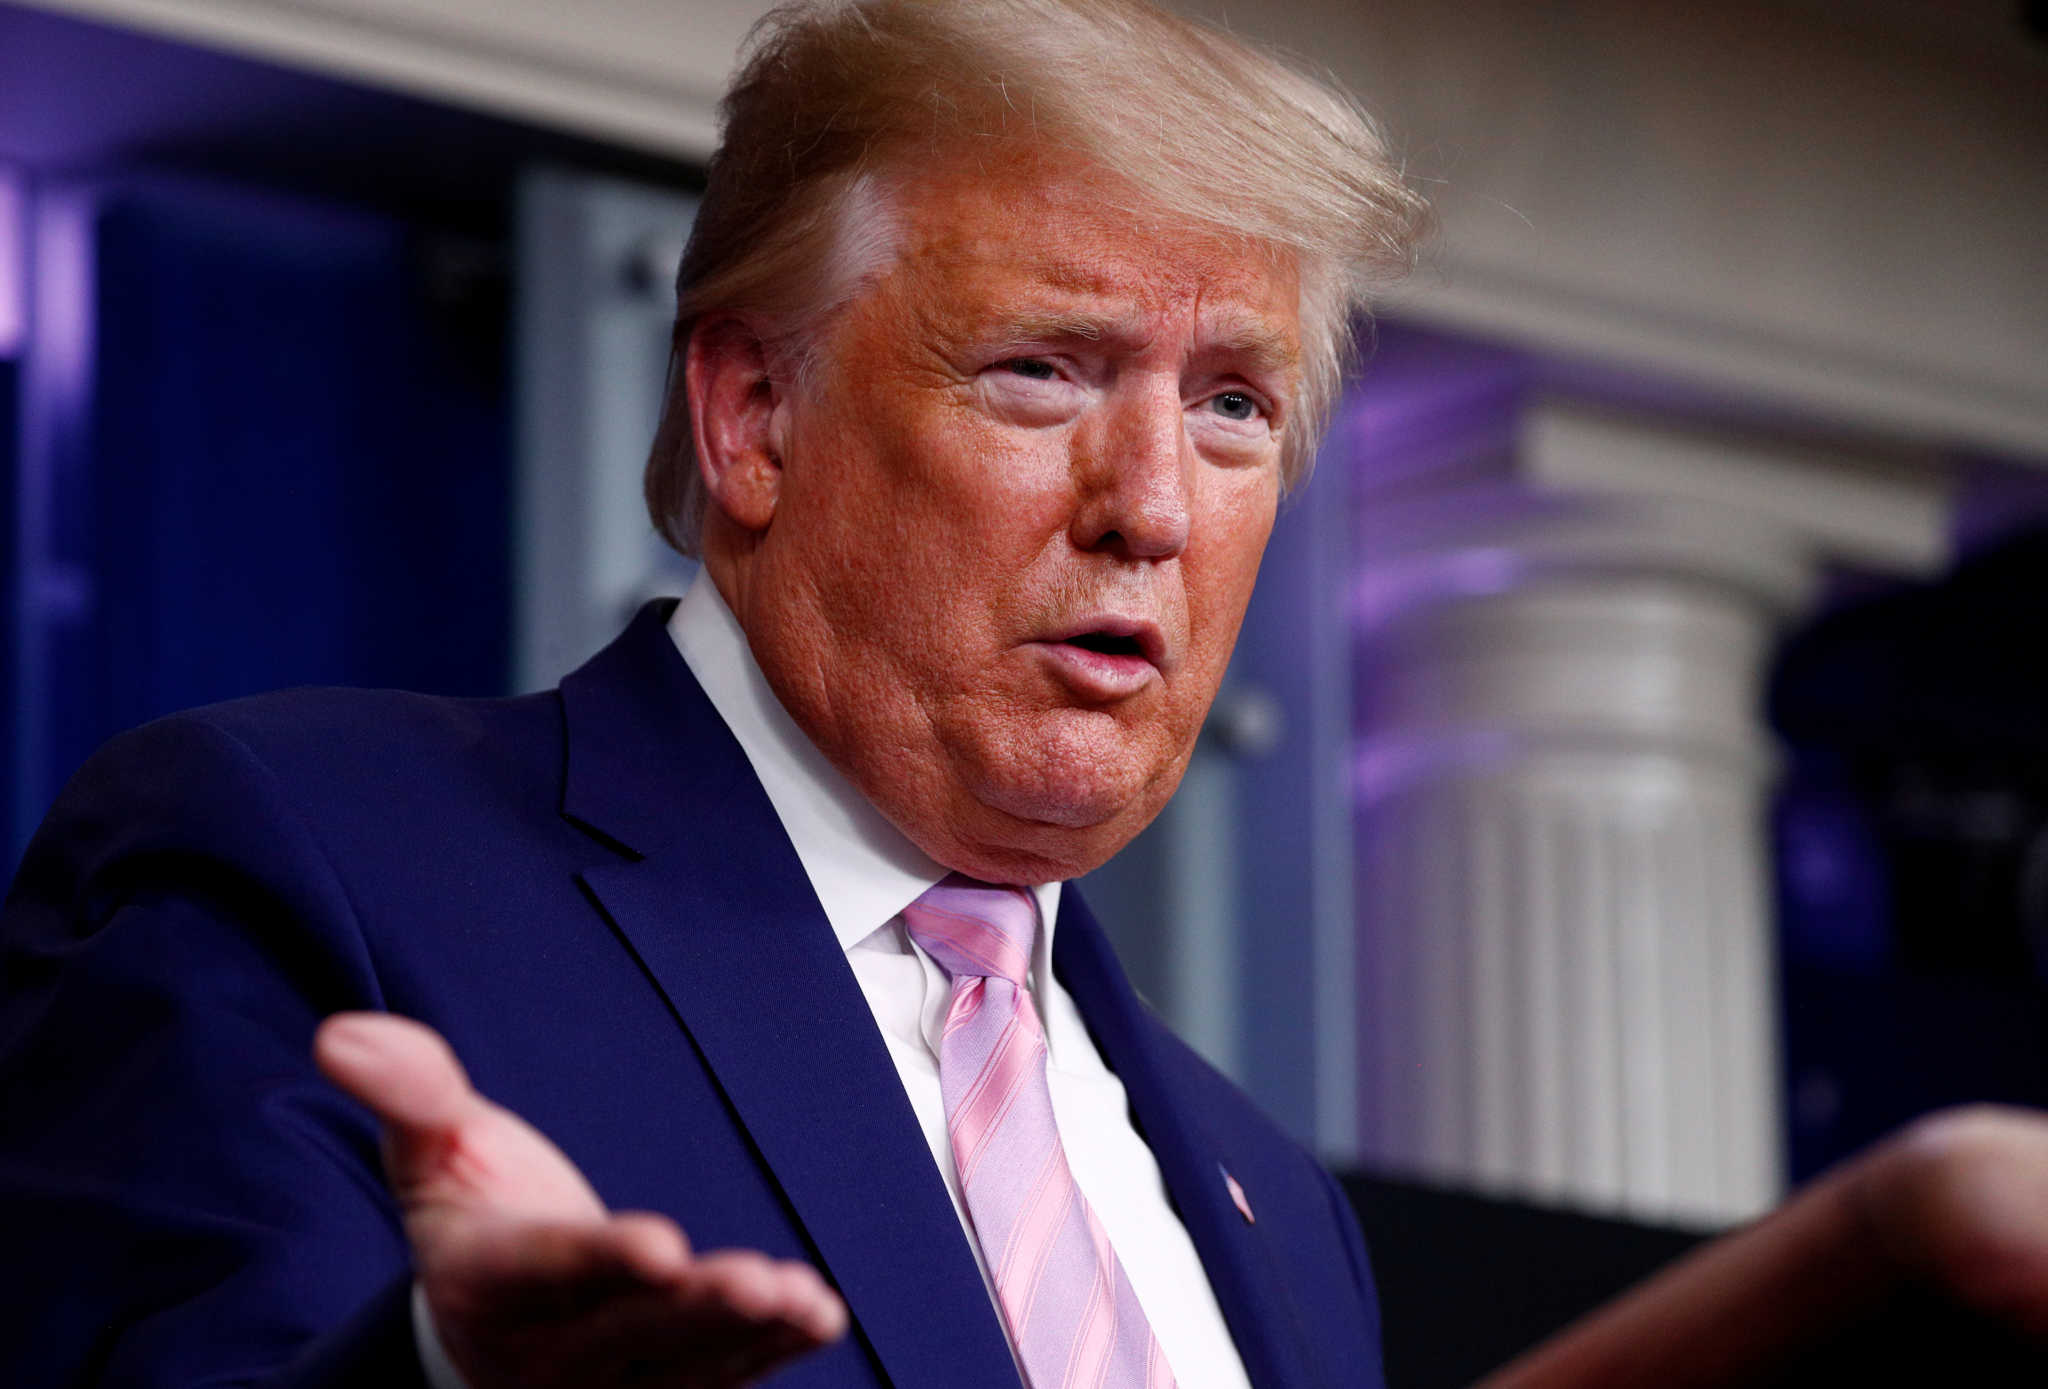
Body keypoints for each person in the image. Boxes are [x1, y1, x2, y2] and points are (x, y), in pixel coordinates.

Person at [0, 1, 1427, 1385]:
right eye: (1044, 369)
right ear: (754, 415)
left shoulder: (1290, 1225)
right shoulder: (303, 872)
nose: (1157, 506)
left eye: (1235, 403)